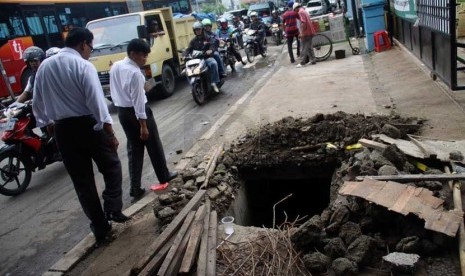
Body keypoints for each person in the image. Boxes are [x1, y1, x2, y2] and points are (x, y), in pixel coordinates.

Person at [33, 27, 128, 246]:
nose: (90, 52)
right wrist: (110, 133)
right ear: (83, 43)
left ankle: (100, 228)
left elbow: (37, 101)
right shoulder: (83, 66)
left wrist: (48, 124)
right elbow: (97, 103)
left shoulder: (45, 66)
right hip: (89, 126)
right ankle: (112, 207)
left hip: (62, 130)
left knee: (82, 181)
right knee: (112, 165)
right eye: (91, 47)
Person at [109, 39, 178, 198]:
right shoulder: (135, 73)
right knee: (153, 144)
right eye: (143, 56)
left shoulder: (116, 66)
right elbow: (138, 101)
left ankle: (135, 187)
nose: (145, 59)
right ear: (133, 54)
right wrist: (143, 125)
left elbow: (114, 91)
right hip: (137, 113)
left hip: (123, 112)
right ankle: (164, 175)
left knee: (134, 149)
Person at [184, 22, 221, 93]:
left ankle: (214, 82)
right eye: (196, 30)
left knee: (213, 63)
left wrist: (210, 50)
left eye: (199, 29)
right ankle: (192, 86)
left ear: (202, 29)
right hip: (197, 60)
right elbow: (189, 49)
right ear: (194, 31)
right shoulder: (193, 40)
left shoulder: (207, 37)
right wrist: (184, 54)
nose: (198, 31)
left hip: (206, 58)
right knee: (187, 70)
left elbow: (212, 43)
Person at [294, 2, 316, 67]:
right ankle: (313, 60)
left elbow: (303, 23)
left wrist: (302, 33)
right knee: (309, 47)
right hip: (309, 31)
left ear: (296, 8)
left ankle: (302, 62)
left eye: (294, 10)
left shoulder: (300, 12)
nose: (295, 12)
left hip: (306, 32)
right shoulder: (303, 11)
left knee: (303, 47)